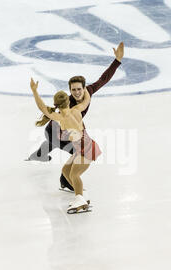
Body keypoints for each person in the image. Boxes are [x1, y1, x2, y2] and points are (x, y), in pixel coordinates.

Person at [27, 42, 124, 192]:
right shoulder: (68, 103)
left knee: (72, 147)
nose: (77, 92)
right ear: (69, 90)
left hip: (60, 132)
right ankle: (66, 181)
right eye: (73, 90)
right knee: (78, 153)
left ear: (84, 87)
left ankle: (40, 154)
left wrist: (117, 61)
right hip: (55, 133)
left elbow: (104, 79)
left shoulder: (88, 92)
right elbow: (49, 112)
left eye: (79, 89)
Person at [30, 78, 101, 213]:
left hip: (86, 149)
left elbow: (43, 108)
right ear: (68, 101)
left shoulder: (59, 118)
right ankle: (81, 195)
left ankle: (80, 198)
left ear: (56, 104)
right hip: (82, 147)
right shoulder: (76, 110)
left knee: (74, 175)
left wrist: (34, 91)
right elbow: (87, 101)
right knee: (66, 171)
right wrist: (85, 89)